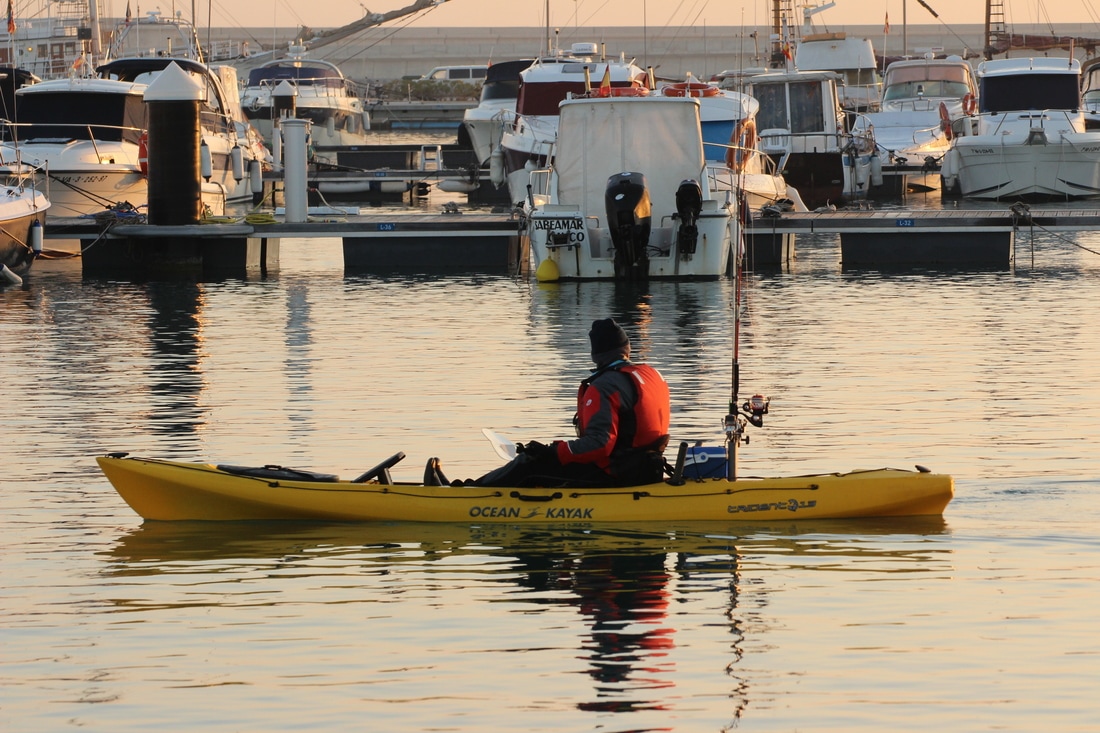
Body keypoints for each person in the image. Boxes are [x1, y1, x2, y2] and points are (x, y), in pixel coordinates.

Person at [465, 318, 671, 489]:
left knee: (529, 462)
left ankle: (469, 493)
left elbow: (599, 445)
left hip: (615, 474)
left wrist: (553, 451)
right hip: (647, 469)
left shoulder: (605, 386)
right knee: (543, 459)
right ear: (627, 348)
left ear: (596, 355)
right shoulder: (652, 375)